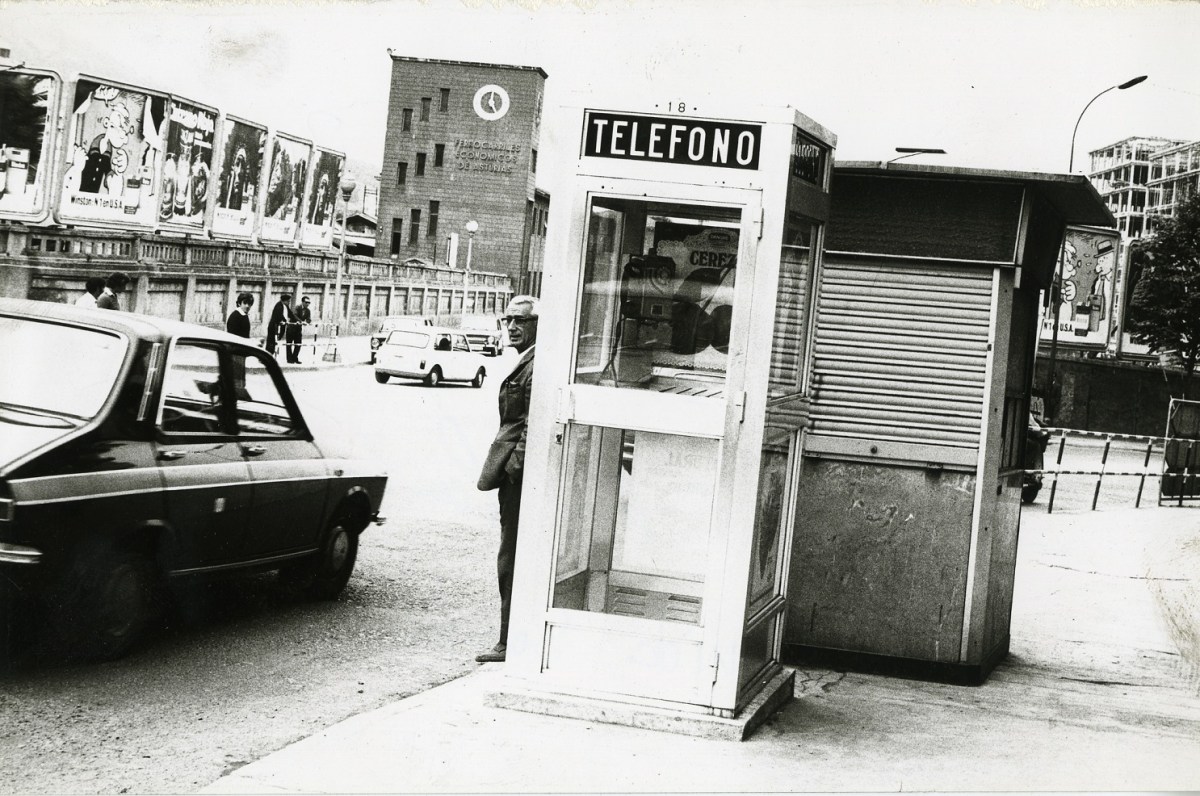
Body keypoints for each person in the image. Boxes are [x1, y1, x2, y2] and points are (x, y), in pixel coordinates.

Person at [475, 295, 539, 664]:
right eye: (508, 320)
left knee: (511, 556)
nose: (512, 327)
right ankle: (510, 636)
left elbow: (530, 422)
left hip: (520, 478)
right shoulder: (527, 361)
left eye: (521, 321)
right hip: (517, 475)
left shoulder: (536, 364)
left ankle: (508, 641)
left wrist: (514, 468)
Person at [266, 293, 295, 358]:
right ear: (284, 300)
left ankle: (273, 354)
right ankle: (268, 355)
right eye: (288, 301)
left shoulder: (286, 306)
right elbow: (279, 316)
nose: (289, 302)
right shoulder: (278, 306)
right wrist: (285, 320)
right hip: (274, 326)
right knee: (271, 341)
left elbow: (291, 314)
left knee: (276, 341)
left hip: (281, 327)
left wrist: (297, 321)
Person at [289, 295, 312, 363]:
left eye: (309, 303)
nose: (307, 304)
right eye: (306, 302)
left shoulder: (308, 311)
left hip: (298, 329)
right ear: (302, 302)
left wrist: (307, 322)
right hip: (291, 328)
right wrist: (301, 321)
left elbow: (309, 319)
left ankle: (295, 358)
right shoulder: (297, 307)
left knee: (298, 344)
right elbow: (294, 315)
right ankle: (290, 359)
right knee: (289, 344)